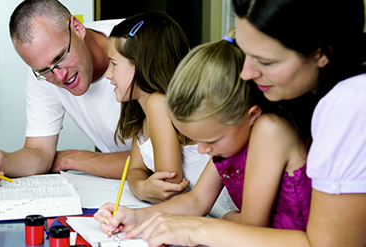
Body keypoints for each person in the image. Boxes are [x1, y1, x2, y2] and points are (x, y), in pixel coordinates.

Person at [94, 0, 366, 246]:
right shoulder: (282, 104)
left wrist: (199, 229)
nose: (246, 72)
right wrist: (137, 217)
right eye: (245, 53)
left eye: (265, 60)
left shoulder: (347, 104)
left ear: (322, 53)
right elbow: (198, 200)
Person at [94, 27, 312, 237]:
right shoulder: (234, 135)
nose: (201, 150)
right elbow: (197, 200)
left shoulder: (270, 131)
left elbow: (251, 227)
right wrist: (135, 217)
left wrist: (222, 219)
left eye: (210, 140)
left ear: (251, 115)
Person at [0, 0, 132, 188]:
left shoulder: (140, 45)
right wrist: (3, 160)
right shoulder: (43, 73)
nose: (60, 76)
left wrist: (69, 158)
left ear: (77, 28)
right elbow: (39, 151)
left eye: (60, 57)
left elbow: (159, 160)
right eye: (44, 70)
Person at [105, 12, 234, 217]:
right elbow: (136, 169)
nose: (107, 74)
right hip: (196, 212)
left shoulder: (158, 103)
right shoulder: (142, 107)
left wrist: (143, 187)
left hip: (217, 212)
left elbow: (169, 186)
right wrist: (140, 187)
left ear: (142, 64)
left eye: (113, 63)